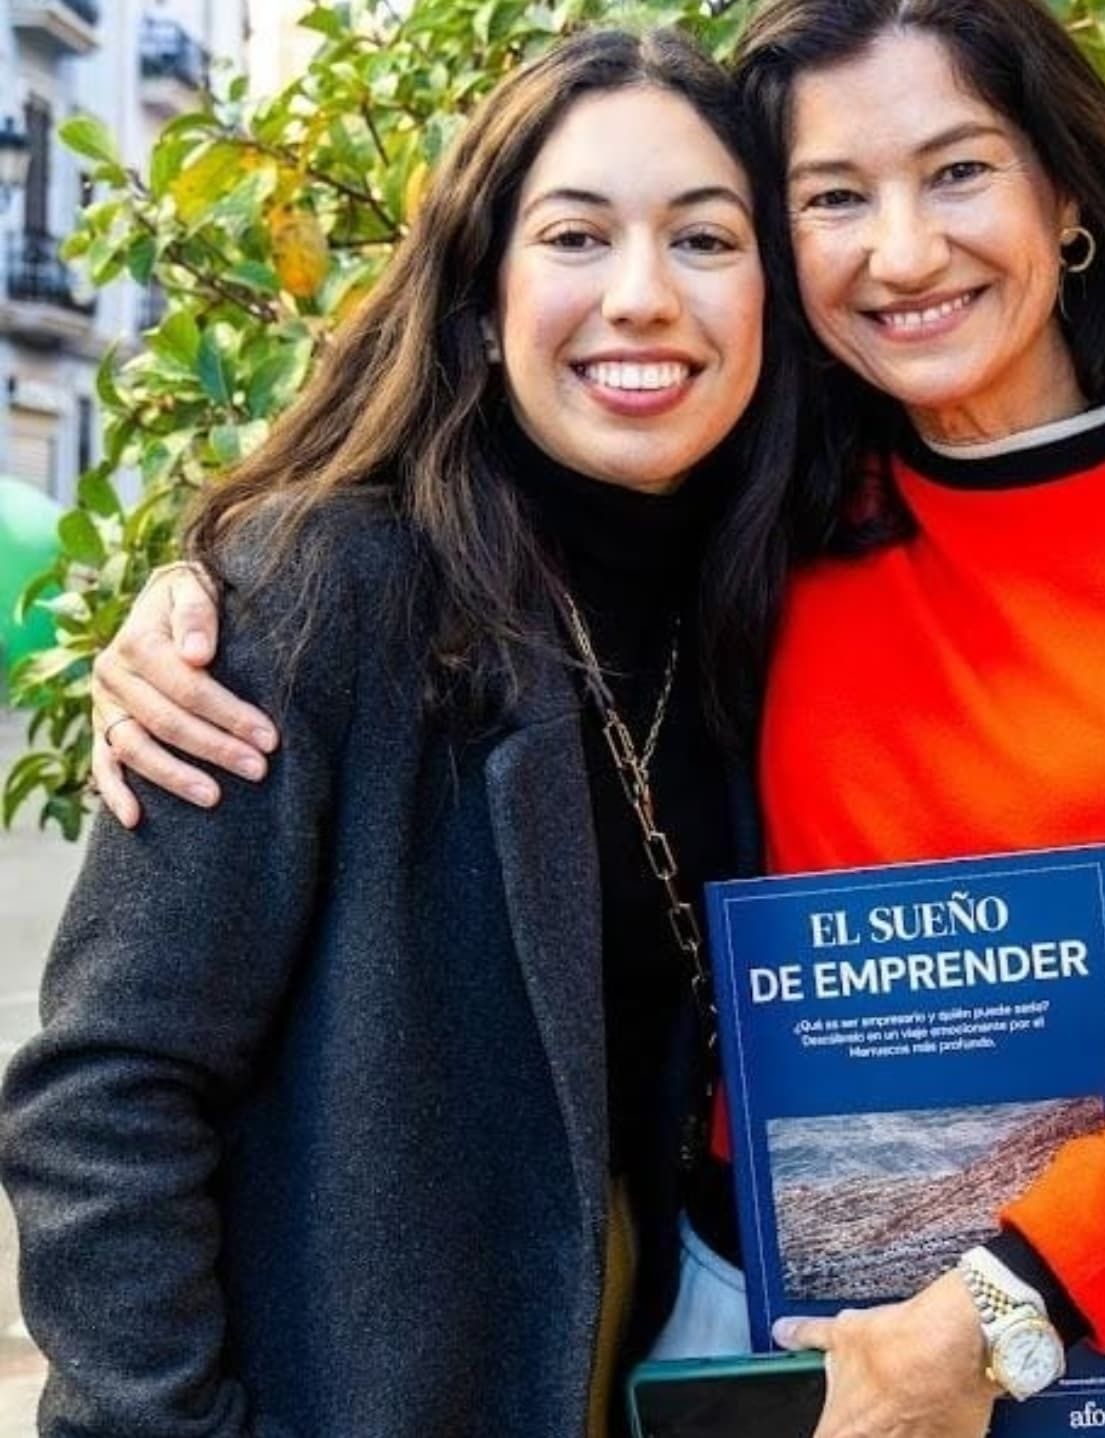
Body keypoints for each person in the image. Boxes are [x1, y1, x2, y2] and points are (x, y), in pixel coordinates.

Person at [69, 1, 1105, 1436]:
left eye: (960, 171)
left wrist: (992, 1314)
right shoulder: (772, 509)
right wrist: (206, 595)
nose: (901, 251)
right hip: (753, 1319)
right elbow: (496, 475)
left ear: (1068, 191)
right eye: (834, 198)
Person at [0, 26, 803, 1438]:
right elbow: (102, 1098)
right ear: (484, 297)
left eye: (705, 239)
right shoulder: (326, 594)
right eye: (575, 234)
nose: (642, 296)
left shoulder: (758, 594)